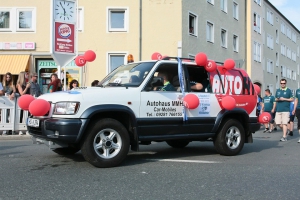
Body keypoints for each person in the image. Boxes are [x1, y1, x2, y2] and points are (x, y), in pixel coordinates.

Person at [16, 71, 31, 135]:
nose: (27, 75)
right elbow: (21, 93)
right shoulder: (19, 84)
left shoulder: (27, 83)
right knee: (21, 115)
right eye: (26, 75)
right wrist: (27, 87)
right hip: (22, 101)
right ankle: (20, 130)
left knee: (28, 115)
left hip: (27, 100)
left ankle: (27, 129)